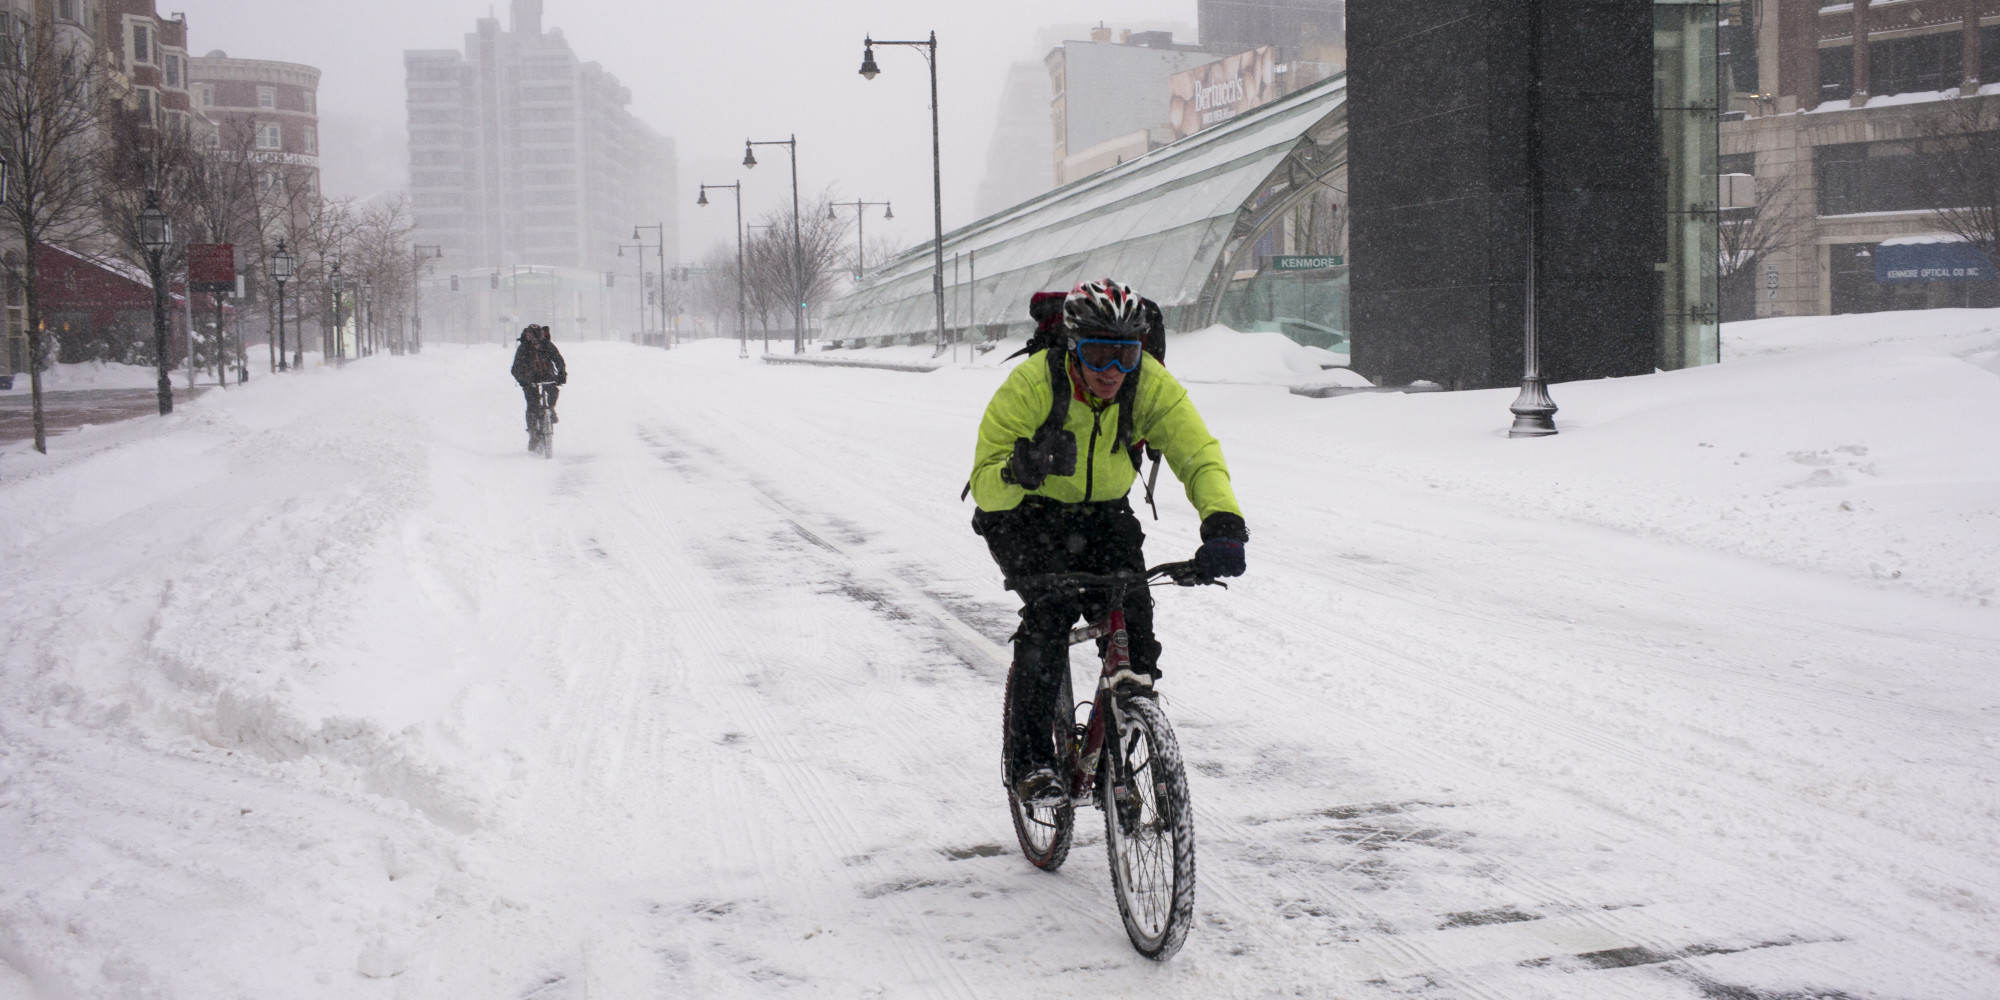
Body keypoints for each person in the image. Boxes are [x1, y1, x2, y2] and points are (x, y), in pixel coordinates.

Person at [968, 278, 1248, 806]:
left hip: (1102, 513)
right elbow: (983, 482)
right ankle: (1031, 761)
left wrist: (1224, 523)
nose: (1111, 373)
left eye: (1126, 356)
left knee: (1133, 622)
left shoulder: (1148, 385)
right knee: (1051, 615)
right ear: (1073, 348)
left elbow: (1198, 454)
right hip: (1025, 513)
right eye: (1099, 355)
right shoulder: (1032, 385)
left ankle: (1125, 735)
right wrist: (1019, 471)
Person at [510, 324, 566, 436]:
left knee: (553, 390)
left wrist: (562, 373)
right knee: (532, 405)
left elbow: (558, 359)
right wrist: (522, 380)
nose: (537, 345)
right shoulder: (523, 348)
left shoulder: (547, 344)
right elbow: (516, 368)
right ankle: (532, 432)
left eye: (538, 342)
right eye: (534, 343)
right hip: (529, 378)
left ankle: (550, 408)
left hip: (547, 374)